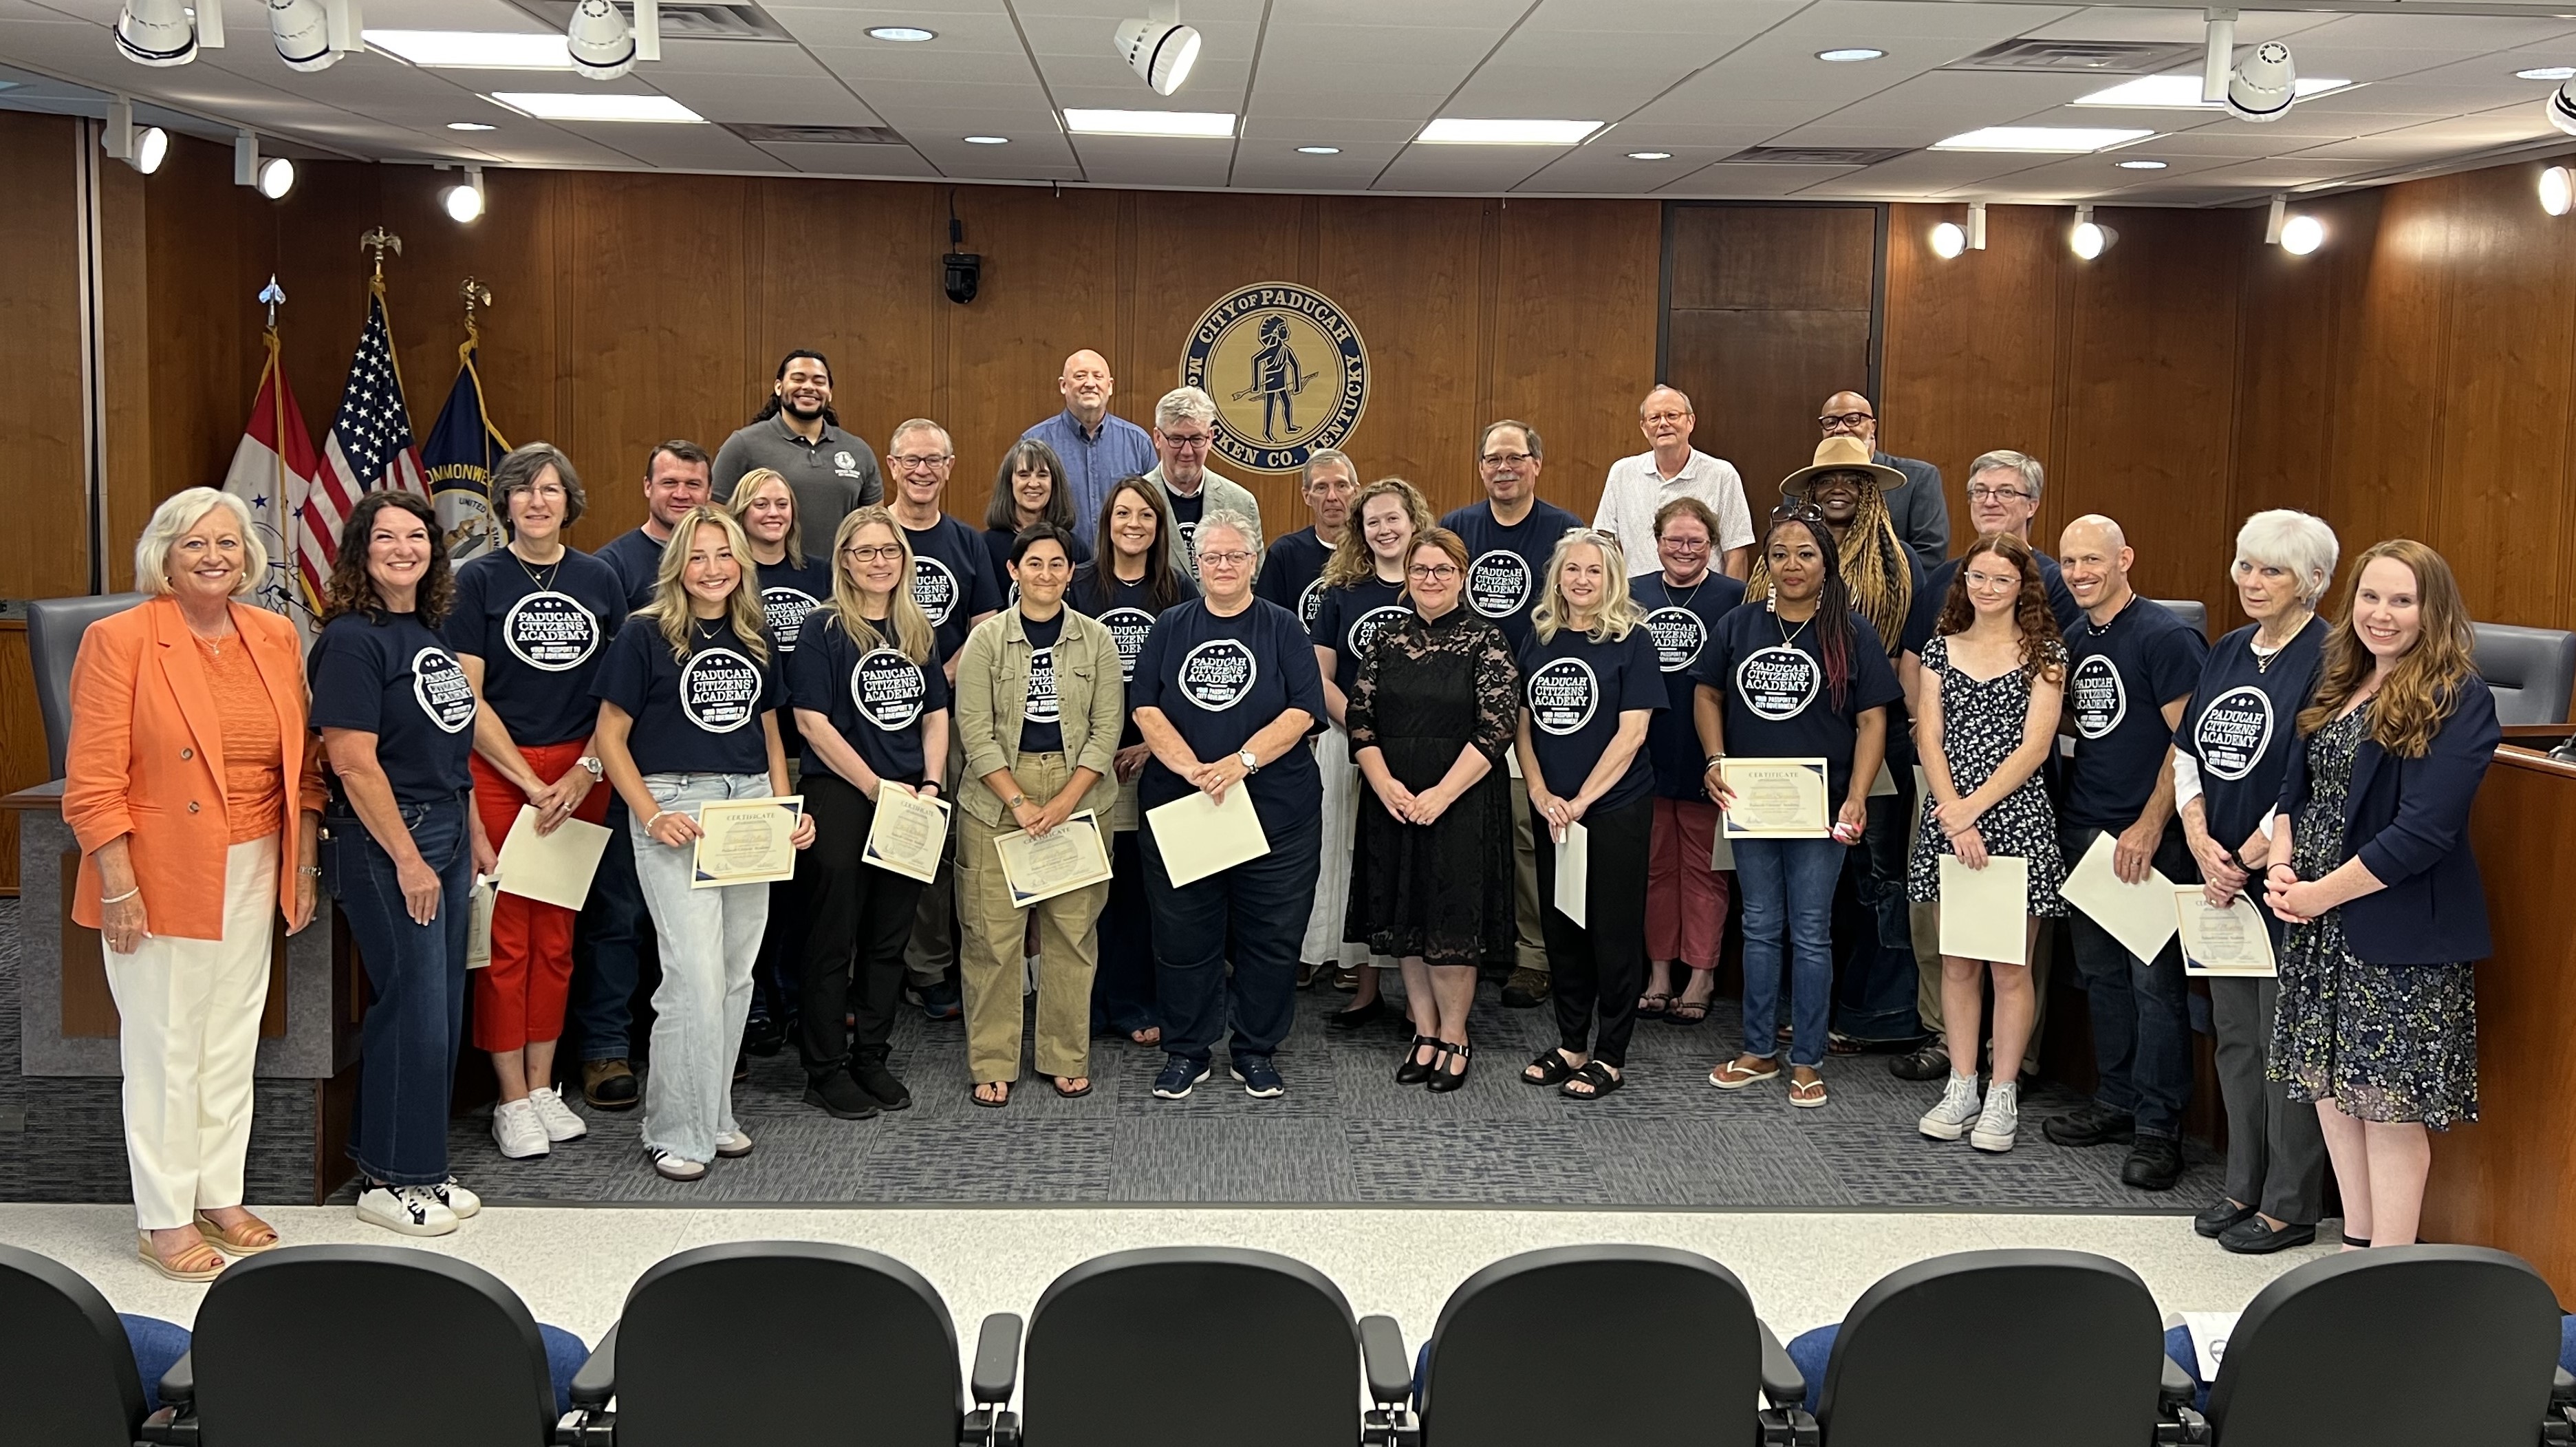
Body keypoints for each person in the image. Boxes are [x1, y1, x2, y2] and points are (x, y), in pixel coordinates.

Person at [65, 489, 323, 1279]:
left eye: (228, 544)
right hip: (159, 867)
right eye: (194, 545)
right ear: (164, 558)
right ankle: (164, 1215)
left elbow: (303, 769)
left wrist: (303, 860)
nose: (214, 557)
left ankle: (218, 1190)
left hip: (256, 861)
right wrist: (118, 885)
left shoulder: (276, 635)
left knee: (229, 1035)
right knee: (166, 1043)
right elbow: (92, 782)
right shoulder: (121, 639)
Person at [2266, 539, 2497, 1250]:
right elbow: (2291, 788)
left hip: (2392, 934)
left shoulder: (2458, 696)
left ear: (2433, 612)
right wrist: (2280, 859)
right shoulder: (2338, 680)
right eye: (2370, 597)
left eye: (2402, 600)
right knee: (2334, 1097)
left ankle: (2389, 1277)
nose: (2382, 614)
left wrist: (2318, 895)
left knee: (2386, 1109)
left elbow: (2420, 835)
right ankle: (2355, 1255)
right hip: (2318, 926)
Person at [592, 505, 814, 1181]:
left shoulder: (755, 634)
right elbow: (608, 736)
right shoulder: (644, 634)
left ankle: (713, 1113)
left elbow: (771, 731)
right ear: (678, 565)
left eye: (725, 555)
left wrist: (784, 809)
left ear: (741, 563)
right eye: (699, 556)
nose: (713, 569)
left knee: (735, 974)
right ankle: (673, 1129)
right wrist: (651, 813)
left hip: (749, 805)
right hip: (677, 805)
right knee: (690, 978)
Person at [306, 491, 481, 1236]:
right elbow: (350, 759)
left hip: (444, 828)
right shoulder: (352, 639)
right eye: (387, 537)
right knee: (411, 1008)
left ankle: (423, 1167)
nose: (405, 548)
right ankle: (389, 1179)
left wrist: (473, 833)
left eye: (418, 536)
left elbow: (452, 742)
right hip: (387, 843)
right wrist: (410, 859)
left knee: (440, 1012)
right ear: (359, 550)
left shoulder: (427, 630)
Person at [448, 444, 625, 1162]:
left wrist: (584, 769)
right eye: (523, 490)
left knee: (556, 938)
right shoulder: (475, 582)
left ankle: (545, 1086)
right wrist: (527, 781)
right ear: (506, 504)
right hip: (501, 770)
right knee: (505, 941)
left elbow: (619, 697)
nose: (537, 501)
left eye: (550, 489)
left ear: (568, 500)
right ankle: (509, 1097)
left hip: (585, 771)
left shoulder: (600, 579)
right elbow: (466, 696)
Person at [1697, 506, 1899, 1108]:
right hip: (1751, 802)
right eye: (1780, 553)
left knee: (1810, 932)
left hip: (1823, 807)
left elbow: (1872, 722)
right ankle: (1758, 1050)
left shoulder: (1851, 631)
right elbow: (1706, 693)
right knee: (1759, 924)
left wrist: (1858, 795)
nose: (1791, 564)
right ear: (1766, 563)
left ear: (1826, 564)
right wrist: (1714, 760)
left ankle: (1806, 1058)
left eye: (1806, 553)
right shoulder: (1737, 625)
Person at [1890, 448, 2080, 1084]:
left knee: (2015, 953)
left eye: (2005, 490)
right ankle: (1954, 1050)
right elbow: (1918, 666)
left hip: (2016, 800)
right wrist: (1950, 803)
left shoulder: (2053, 579)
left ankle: (2013, 1063)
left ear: (2031, 504)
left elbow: (2042, 726)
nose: (1990, 500)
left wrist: (1971, 806)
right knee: (1944, 940)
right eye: (1978, 491)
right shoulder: (1945, 576)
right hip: (1944, 791)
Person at [2179, 511, 2337, 1253]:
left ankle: (2289, 1203)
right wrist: (2197, 836)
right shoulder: (2229, 648)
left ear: (2311, 581)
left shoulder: (2334, 655)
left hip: (2283, 880)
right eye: (2245, 565)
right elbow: (2188, 753)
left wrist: (2242, 856)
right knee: (2235, 1038)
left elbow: (2307, 776)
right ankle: (2241, 1184)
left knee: (2283, 1042)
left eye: (2271, 569)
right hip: (2216, 874)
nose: (2251, 581)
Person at [1129, 509, 1325, 1100]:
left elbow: (1302, 712)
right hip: (1185, 807)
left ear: (1254, 562)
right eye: (1211, 556)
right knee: (1185, 937)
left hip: (1275, 812)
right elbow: (1145, 707)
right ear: (1197, 563)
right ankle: (1187, 1050)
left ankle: (1255, 1049)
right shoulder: (1170, 625)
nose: (1222, 566)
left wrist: (1240, 762)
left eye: (1234, 556)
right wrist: (1192, 768)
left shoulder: (1283, 627)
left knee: (1271, 937)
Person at [2047, 514, 2209, 1191]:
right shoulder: (2076, 635)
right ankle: (2113, 1101)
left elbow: (2190, 744)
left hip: (2150, 841)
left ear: (2124, 559)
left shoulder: (2166, 637)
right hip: (2085, 831)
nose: (2080, 573)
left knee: (2154, 988)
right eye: (2069, 562)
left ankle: (2157, 1127)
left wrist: (2148, 826)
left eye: (2093, 560)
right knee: (2102, 978)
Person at [1905, 533, 2069, 1153]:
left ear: (2021, 585)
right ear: (1963, 580)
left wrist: (1974, 809)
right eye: (1977, 577)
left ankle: (2002, 1091)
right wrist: (1954, 814)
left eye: (2001, 579)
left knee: (2010, 966)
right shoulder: (1938, 648)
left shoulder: (2044, 651)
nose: (1988, 589)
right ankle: (1961, 1082)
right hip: (1949, 820)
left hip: (2015, 821)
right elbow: (1928, 736)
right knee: (1957, 961)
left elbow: (2036, 744)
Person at [952, 523, 1124, 1105]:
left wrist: (1063, 802)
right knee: (991, 937)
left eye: (1058, 564)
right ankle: (993, 1060)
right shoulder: (985, 641)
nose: (1046, 574)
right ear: (1013, 571)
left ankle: (1065, 1053)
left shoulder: (1097, 639)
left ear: (1070, 573)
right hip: (997, 795)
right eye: (1035, 564)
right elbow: (974, 733)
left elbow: (1106, 732)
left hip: (1077, 796)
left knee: (1072, 934)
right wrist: (1021, 802)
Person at [787, 506, 949, 1121]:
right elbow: (811, 723)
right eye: (866, 551)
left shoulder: (917, 627)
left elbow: (936, 712)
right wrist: (875, 786)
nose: (880, 561)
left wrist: (930, 781)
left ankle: (871, 1056)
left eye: (890, 550)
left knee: (889, 938)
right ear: (845, 561)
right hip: (845, 795)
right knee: (833, 938)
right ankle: (824, 1068)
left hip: (911, 797)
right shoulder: (821, 628)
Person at [1763, 436, 1924, 1051]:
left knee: (1874, 876)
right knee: (1802, 886)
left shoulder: (1898, 560)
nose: (1837, 488)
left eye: (1852, 479)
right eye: (1826, 479)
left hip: (1868, 736)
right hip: (1790, 740)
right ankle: (1807, 1007)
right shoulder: (1779, 554)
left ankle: (1875, 1014)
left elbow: (1900, 653)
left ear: (1868, 490)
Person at [1347, 528, 1519, 1092]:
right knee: (1408, 923)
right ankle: (1422, 1031)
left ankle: (1454, 1033)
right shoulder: (1384, 641)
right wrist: (1385, 785)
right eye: (1420, 569)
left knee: (1450, 926)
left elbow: (1498, 726)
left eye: (1442, 570)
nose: (1430, 579)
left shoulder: (1485, 640)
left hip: (1460, 801)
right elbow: (1360, 719)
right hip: (1394, 799)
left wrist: (1441, 794)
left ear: (1462, 576)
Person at [575, 439, 711, 1113]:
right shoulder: (613, 569)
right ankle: (606, 1047)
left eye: (694, 483)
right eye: (670, 482)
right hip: (632, 776)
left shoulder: (725, 566)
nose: (682, 493)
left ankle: (693, 1047)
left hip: (710, 781)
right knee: (620, 914)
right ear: (647, 488)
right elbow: (602, 691)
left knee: (697, 931)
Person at [1515, 529, 1665, 1102]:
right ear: (1557, 577)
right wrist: (1538, 790)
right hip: (1553, 810)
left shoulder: (1633, 641)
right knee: (1562, 928)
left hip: (1614, 808)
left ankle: (1611, 1052)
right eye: (1571, 570)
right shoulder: (1539, 637)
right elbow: (1523, 725)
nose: (1581, 580)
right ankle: (1571, 1041)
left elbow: (1632, 734)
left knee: (1611, 929)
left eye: (1594, 571)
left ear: (1612, 579)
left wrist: (1581, 802)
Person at [1442, 420, 1585, 1009]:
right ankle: (1468, 946)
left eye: (1515, 457)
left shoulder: (1564, 531)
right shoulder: (1456, 528)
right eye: (1493, 458)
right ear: (1480, 468)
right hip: (1461, 709)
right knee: (1465, 831)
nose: (1504, 467)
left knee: (1527, 839)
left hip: (1538, 707)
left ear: (1536, 464)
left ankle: (1532, 955)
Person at [1068, 477, 1198, 1049]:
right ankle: (1085, 1004)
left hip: (1151, 761)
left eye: (1145, 516)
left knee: (1139, 891)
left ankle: (1132, 1000)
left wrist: (1152, 746)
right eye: (1123, 514)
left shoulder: (1178, 588)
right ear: (1106, 522)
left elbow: (1194, 682)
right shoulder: (1076, 586)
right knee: (1083, 886)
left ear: (1159, 525)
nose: (1133, 525)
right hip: (1084, 763)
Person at [887, 418, 1004, 1022]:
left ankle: (932, 966)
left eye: (934, 460)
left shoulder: (967, 542)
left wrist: (938, 679)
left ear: (950, 467)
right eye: (912, 460)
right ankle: (881, 969)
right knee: (881, 843)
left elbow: (984, 621)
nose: (923, 470)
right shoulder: (872, 536)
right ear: (892, 465)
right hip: (872, 717)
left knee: (941, 838)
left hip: (950, 714)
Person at [1310, 478, 1432, 1027]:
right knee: (1357, 861)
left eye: (1393, 519)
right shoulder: (1342, 592)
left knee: (1412, 865)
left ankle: (1422, 1001)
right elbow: (1321, 674)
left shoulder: (1433, 584)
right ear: (1359, 532)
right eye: (1372, 522)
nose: (1384, 530)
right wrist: (1361, 728)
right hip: (1349, 745)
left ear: (1414, 522)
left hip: (1422, 751)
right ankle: (1365, 988)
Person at [729, 467, 836, 1055]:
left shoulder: (819, 575)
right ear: (740, 512)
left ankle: (796, 998)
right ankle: (759, 1003)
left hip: (811, 752)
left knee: (803, 885)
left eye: (782, 503)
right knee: (755, 887)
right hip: (754, 748)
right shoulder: (728, 578)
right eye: (759, 503)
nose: (772, 513)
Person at [1631, 498, 1746, 1025]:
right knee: (1653, 869)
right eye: (1673, 540)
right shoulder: (1631, 594)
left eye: (1695, 542)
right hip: (1643, 753)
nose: (1683, 550)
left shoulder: (1735, 598)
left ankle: (1700, 974)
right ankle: (1658, 973)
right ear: (1655, 541)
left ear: (1712, 546)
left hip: (1707, 753)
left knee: (1705, 869)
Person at [1593, 385, 1754, 581]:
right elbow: (1607, 546)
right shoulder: (1622, 473)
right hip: (1635, 601)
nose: (1663, 424)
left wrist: (1731, 607)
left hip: (1704, 599)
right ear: (1644, 428)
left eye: (1672, 415)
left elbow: (1736, 551)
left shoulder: (1722, 475)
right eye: (1654, 418)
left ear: (1690, 422)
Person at [711, 348, 884, 526]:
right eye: (798, 379)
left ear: (830, 392)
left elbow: (875, 526)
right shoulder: (743, 445)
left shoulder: (858, 450)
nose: (809, 387)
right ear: (779, 387)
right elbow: (716, 519)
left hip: (841, 556)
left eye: (819, 381)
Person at [1023, 348, 1158, 546]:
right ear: (1063, 385)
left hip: (1122, 566)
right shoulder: (1035, 442)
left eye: (1098, 376)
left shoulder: (1138, 442)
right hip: (1059, 566)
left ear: (1110, 386)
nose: (1090, 384)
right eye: (1080, 376)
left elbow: (1155, 511)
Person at [1817, 390, 1947, 570]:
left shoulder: (1918, 478)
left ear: (1872, 427)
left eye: (1853, 419)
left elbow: (1929, 556)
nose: (1841, 428)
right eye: (1830, 422)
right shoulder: (1803, 485)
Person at [1144, 386, 1263, 579]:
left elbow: (1254, 581)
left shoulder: (1241, 503)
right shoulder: (1135, 503)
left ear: (1210, 438)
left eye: (1196, 439)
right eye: (1176, 439)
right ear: (1158, 438)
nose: (1187, 451)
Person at [1255, 447, 1359, 638]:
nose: (1332, 497)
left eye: (1341, 486)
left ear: (1356, 492)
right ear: (1306, 496)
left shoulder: (1373, 551)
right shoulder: (1285, 554)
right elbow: (1266, 625)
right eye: (1321, 487)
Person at [980, 438, 1092, 597]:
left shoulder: (1075, 547)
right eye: (1024, 475)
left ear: (1054, 483)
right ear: (1009, 482)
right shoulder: (984, 547)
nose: (1033, 483)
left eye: (1042, 475)